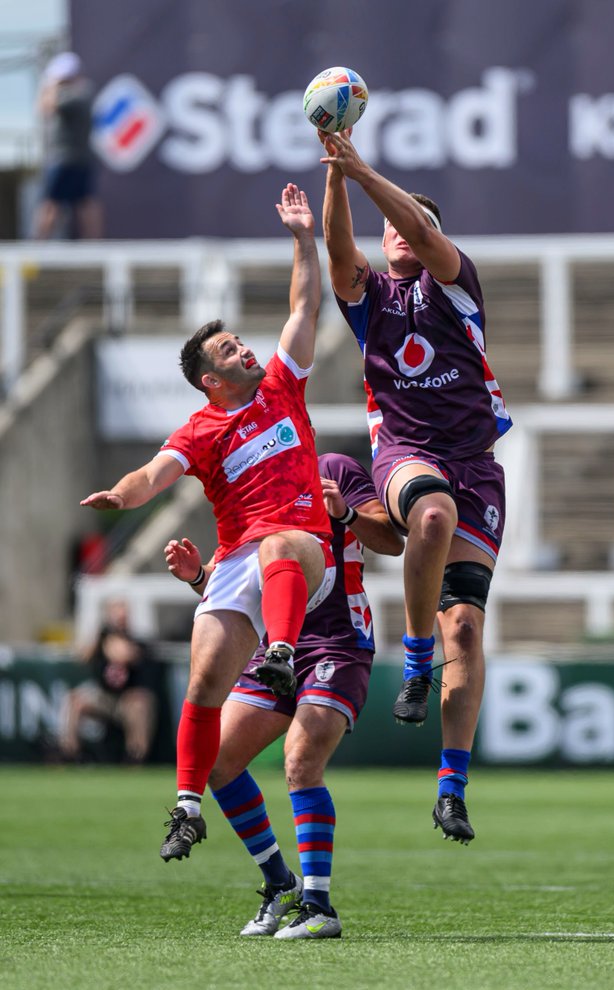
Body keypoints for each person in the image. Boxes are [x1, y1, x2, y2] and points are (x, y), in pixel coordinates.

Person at [81, 183, 335, 863]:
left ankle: (281, 653)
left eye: (239, 342)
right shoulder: (199, 429)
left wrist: (304, 237)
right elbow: (153, 476)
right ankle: (187, 807)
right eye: (229, 350)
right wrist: (120, 494)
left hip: (302, 551)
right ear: (209, 379)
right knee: (202, 685)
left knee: (284, 540)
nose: (245, 350)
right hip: (236, 562)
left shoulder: (282, 386)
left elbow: (306, 303)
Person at [320, 130, 513, 844]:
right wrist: (338, 177)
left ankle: (452, 787)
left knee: (469, 623)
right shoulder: (372, 300)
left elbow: (420, 232)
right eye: (391, 230)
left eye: (411, 226)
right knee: (429, 515)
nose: (398, 237)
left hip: (477, 461)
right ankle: (418, 658)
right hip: (407, 453)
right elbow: (340, 255)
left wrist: (363, 168)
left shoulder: (456, 283)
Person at [165, 452, 404, 939]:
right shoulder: (249, 484)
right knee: (219, 760)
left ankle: (319, 905)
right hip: (273, 647)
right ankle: (280, 883)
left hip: (337, 640)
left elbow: (392, 542)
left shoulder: (334, 468)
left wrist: (348, 516)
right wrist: (197, 578)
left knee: (300, 760)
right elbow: (233, 587)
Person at [59, 598, 160, 764]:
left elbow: (139, 661)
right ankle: (70, 752)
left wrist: (129, 653)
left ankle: (135, 756)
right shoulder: (101, 641)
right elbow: (82, 656)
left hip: (127, 698)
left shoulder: (137, 642)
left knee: (139, 704)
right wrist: (100, 638)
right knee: (75, 700)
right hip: (105, 697)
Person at [33, 51, 102, 240]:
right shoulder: (82, 92)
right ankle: (40, 247)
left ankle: (38, 247)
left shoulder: (79, 94)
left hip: (65, 159)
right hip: (73, 158)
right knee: (83, 202)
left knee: (53, 203)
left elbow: (46, 106)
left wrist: (51, 85)